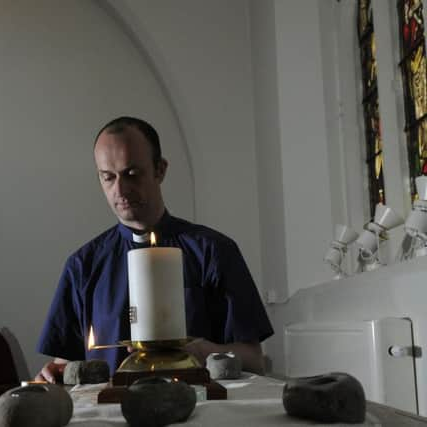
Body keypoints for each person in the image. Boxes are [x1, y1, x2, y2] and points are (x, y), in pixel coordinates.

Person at [35, 116, 273, 383]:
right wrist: (53, 373)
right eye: (108, 177)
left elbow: (254, 361)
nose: (120, 189)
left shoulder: (214, 251)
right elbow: (66, 363)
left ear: (160, 169)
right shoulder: (83, 265)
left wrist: (205, 351)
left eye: (132, 174)